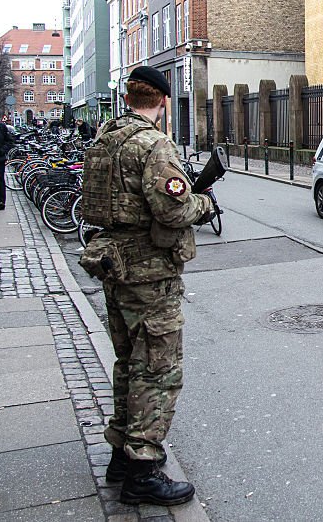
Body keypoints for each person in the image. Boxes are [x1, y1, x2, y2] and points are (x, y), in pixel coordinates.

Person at [79, 66, 214, 506]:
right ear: (161, 101)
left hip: (115, 268)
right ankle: (143, 470)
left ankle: (121, 453)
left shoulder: (106, 138)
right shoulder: (153, 144)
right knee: (157, 370)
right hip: (150, 275)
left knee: (128, 362)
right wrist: (204, 202)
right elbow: (173, 211)